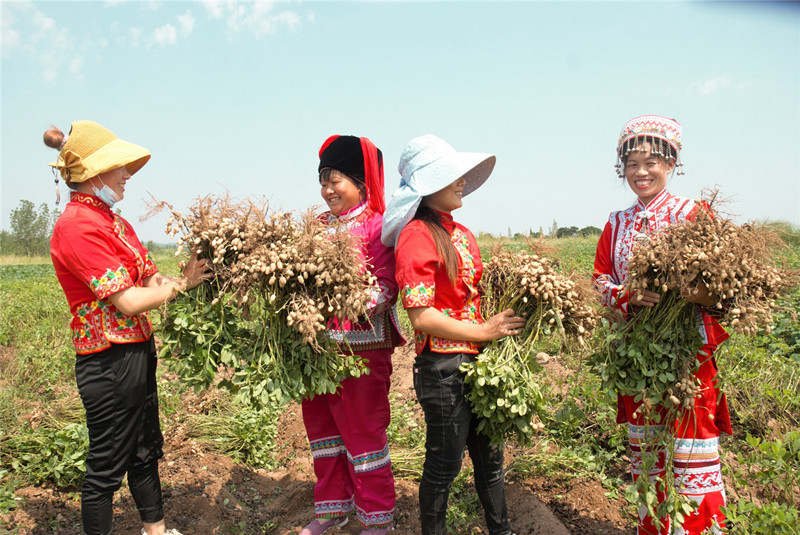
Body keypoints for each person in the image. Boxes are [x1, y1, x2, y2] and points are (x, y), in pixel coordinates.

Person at [44, 120, 212, 535]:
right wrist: (181, 285)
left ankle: (156, 531)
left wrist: (189, 272)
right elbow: (129, 300)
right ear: (93, 173)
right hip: (107, 360)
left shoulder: (116, 224)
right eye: (119, 168)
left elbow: (152, 282)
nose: (126, 177)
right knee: (105, 466)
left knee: (142, 451)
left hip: (136, 351)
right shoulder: (76, 226)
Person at [593, 115, 731, 535]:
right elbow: (599, 279)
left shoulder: (695, 214)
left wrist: (694, 293)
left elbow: (723, 283)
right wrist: (625, 295)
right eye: (632, 163)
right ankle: (653, 527)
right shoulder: (616, 222)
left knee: (693, 449)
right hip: (638, 357)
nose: (641, 172)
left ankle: (698, 529)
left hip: (688, 356)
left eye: (651, 162)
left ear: (671, 164)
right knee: (647, 453)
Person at [381, 134, 525, 535]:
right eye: (452, 176)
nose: (462, 181)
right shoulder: (417, 235)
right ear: (428, 187)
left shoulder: (460, 232)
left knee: (491, 463)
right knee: (444, 466)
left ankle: (502, 531)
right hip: (443, 367)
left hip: (477, 362)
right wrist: (483, 330)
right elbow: (421, 316)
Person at [299, 135, 405, 535]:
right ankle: (332, 510)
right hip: (317, 351)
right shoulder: (315, 227)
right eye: (323, 181)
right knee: (322, 431)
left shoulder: (379, 227)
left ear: (361, 182)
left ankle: (376, 516)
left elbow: (388, 286)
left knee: (364, 432)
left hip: (363, 352)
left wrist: (346, 299)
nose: (327, 191)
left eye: (336, 181)